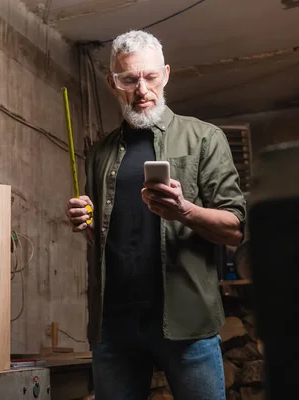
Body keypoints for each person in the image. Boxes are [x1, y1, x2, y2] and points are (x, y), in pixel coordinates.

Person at [65, 30, 246, 400]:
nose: (141, 89)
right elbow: (106, 238)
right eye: (129, 79)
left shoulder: (204, 138)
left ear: (165, 74)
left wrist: (184, 210)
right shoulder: (99, 152)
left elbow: (234, 230)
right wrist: (84, 223)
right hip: (114, 326)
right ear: (113, 83)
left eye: (150, 77)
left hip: (188, 322)